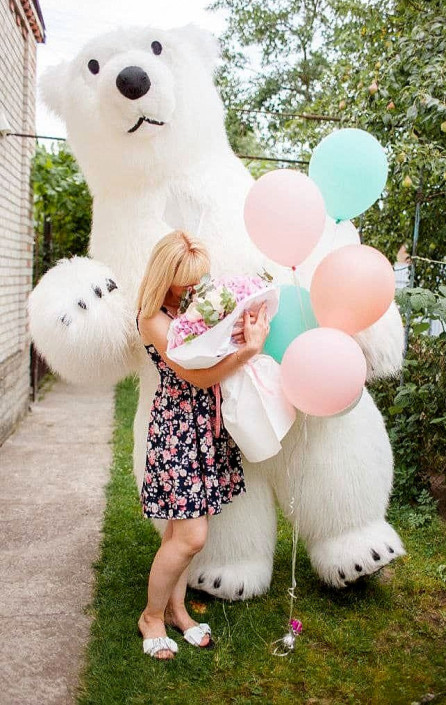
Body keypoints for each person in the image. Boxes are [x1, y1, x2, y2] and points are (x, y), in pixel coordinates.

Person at [135, 230, 269, 660]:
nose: (196, 287)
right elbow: (197, 376)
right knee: (191, 536)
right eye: (185, 279)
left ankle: (176, 609)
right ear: (166, 275)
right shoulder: (153, 318)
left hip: (205, 425)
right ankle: (151, 616)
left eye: (199, 277)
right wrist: (247, 351)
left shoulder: (189, 305)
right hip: (179, 428)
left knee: (179, 531)